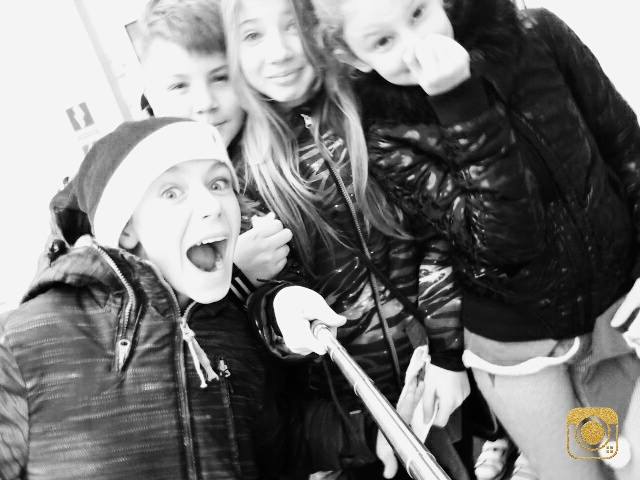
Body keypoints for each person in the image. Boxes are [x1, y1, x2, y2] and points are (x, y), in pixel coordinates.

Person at [308, 0, 640, 479]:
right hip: (523, 352)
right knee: (580, 471)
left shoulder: (537, 33)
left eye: (418, 13)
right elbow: (508, 242)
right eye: (382, 41)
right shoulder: (385, 132)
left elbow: (625, 147)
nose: (417, 44)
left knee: (628, 464)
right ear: (353, 57)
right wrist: (460, 104)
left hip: (618, 313)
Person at [0, 118, 349, 480]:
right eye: (171, 192)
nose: (212, 205)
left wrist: (367, 437)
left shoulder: (230, 326)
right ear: (126, 229)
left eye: (218, 183)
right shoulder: (25, 341)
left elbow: (279, 448)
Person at [221, 1, 471, 478]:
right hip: (359, 415)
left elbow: (439, 230)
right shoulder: (242, 172)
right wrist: (282, 318)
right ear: (233, 53)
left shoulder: (373, 107)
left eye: (294, 26)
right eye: (252, 35)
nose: (279, 52)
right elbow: (269, 306)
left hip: (443, 371)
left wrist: (447, 353)